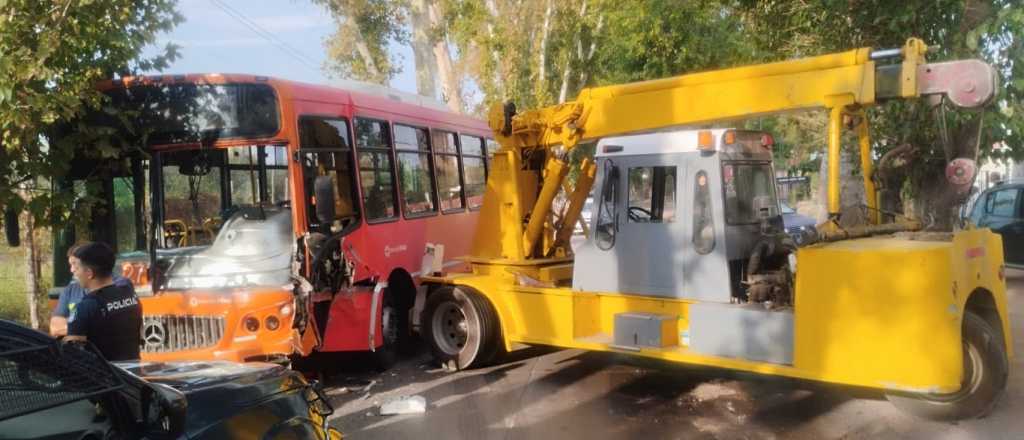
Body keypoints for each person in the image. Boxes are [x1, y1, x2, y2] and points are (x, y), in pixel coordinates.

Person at [64, 242, 142, 361]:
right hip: (131, 373)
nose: (73, 271)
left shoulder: (84, 308)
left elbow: (73, 355)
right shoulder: (129, 294)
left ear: (89, 273)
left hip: (104, 377)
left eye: (77, 267)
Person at [49, 245, 133, 337]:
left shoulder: (123, 286)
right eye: (70, 265)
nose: (72, 270)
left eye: (76, 265)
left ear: (89, 271)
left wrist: (78, 325)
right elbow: (55, 327)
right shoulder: (70, 290)